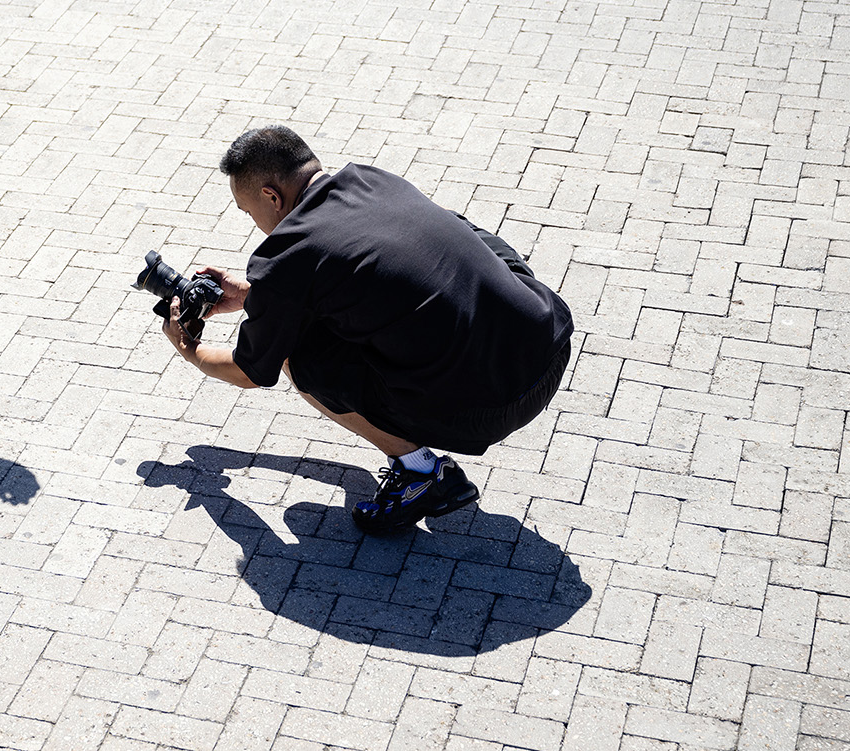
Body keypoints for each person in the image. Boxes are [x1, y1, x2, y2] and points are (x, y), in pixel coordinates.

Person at [158, 126, 575, 534]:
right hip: (548, 343)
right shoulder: (372, 178)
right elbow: (372, 268)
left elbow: (251, 372)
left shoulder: (286, 254)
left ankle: (423, 474)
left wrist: (189, 348)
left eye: (249, 211)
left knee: (296, 353)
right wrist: (257, 295)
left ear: (271, 195)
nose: (254, 222)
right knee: (457, 229)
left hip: (496, 405)